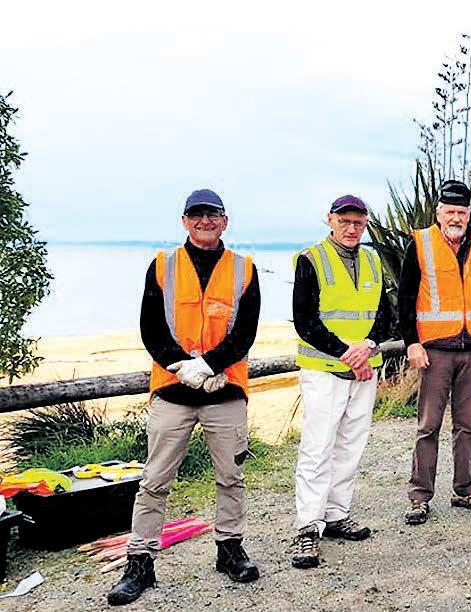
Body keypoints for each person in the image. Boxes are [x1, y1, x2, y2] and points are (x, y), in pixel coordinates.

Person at [108, 189, 260, 606]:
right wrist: (183, 368)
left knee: (231, 477)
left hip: (225, 391)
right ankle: (140, 562)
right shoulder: (162, 265)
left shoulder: (244, 268)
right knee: (154, 480)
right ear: (184, 220)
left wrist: (208, 366)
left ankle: (230, 549)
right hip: (172, 392)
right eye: (197, 215)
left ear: (225, 221)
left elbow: (245, 333)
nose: (204, 221)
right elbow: (151, 329)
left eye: (212, 215)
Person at [289, 195, 392, 569]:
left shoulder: (373, 260)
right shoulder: (311, 259)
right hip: (324, 371)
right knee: (318, 447)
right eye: (345, 221)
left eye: (358, 223)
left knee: (351, 445)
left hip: (364, 370)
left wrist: (368, 346)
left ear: (365, 224)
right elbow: (305, 321)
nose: (351, 228)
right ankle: (307, 526)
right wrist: (348, 352)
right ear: (330, 220)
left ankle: (336, 514)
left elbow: (384, 315)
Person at [398, 179, 471, 525]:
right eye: (450, 212)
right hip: (435, 350)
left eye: (461, 212)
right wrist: (411, 342)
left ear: (469, 213)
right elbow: (405, 297)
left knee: (467, 425)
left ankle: (465, 488)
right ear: (438, 213)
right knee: (428, 426)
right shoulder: (421, 243)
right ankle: (419, 496)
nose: (456, 218)